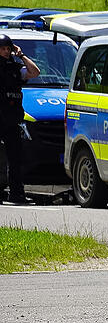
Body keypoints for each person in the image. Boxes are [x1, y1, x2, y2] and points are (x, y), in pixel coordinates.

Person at [0, 35, 40, 204]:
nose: (6, 52)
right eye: (3, 49)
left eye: (8, 49)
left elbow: (35, 72)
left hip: (12, 119)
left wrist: (21, 55)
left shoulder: (15, 68)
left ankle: (17, 194)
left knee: (15, 159)